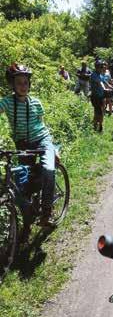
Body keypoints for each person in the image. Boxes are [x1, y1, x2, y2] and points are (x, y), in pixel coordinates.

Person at [1, 63, 56, 228]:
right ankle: (28, 217)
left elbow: (42, 124)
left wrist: (51, 149)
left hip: (42, 140)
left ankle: (47, 210)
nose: (23, 86)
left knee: (49, 168)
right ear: (12, 84)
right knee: (23, 183)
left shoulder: (36, 103)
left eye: (25, 82)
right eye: (19, 82)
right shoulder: (7, 102)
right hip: (23, 144)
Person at [91, 60, 112, 132]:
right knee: (98, 112)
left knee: (101, 111)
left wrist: (112, 87)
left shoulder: (100, 74)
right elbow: (100, 83)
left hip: (101, 96)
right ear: (97, 67)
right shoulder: (94, 75)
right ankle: (96, 126)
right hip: (95, 97)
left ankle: (99, 125)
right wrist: (104, 88)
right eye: (101, 67)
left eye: (103, 67)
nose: (103, 68)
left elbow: (105, 82)